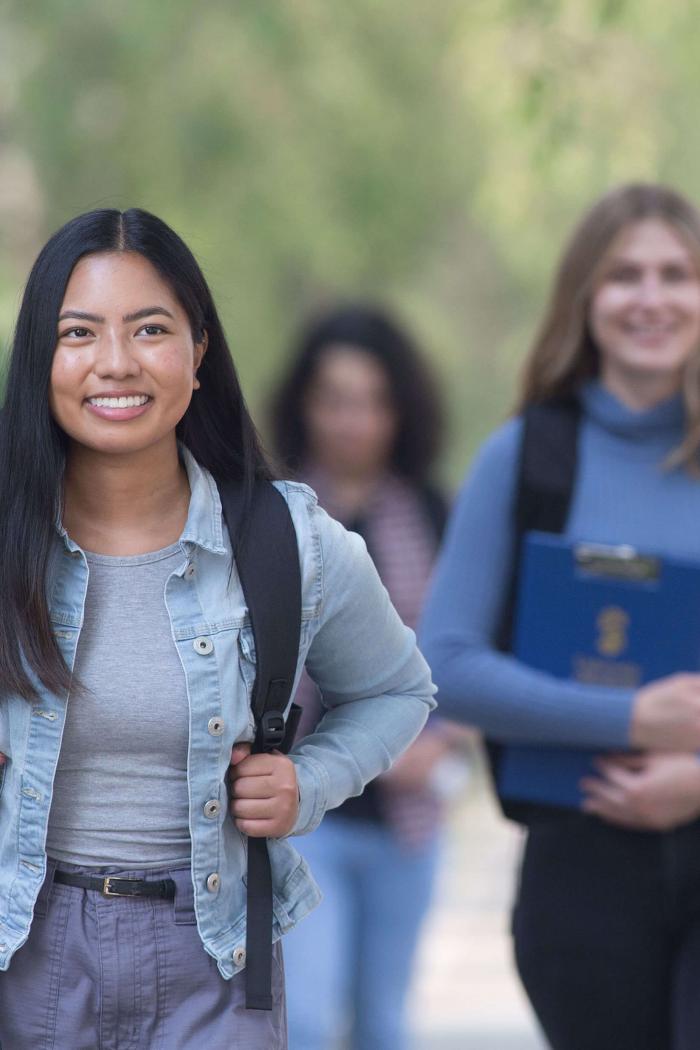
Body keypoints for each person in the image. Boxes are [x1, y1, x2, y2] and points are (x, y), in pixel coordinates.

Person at [0, 210, 435, 1050]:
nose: (116, 362)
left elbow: (399, 690)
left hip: (215, 958)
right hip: (25, 950)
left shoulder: (289, 541)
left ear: (198, 351)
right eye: (79, 333)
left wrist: (307, 782)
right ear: (40, 361)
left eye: (150, 329)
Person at [420, 183, 700, 1050]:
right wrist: (629, 718)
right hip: (580, 875)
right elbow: (446, 663)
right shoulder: (528, 455)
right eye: (623, 276)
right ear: (585, 299)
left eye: (675, 274)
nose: (650, 298)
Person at [271, 305, 469, 1050]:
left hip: (408, 819)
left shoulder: (430, 513)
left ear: (401, 409)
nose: (354, 421)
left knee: (384, 1025)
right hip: (304, 811)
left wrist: (444, 744)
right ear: (305, 405)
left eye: (374, 401)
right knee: (311, 1021)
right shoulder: (272, 511)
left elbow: (461, 652)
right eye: (336, 399)